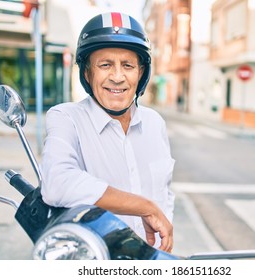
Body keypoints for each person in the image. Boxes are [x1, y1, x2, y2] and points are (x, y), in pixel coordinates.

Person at [40, 12, 175, 253]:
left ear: (141, 73)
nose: (117, 77)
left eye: (128, 65)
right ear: (87, 73)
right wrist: (145, 207)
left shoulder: (155, 123)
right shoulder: (66, 117)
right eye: (105, 65)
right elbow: (57, 183)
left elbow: (165, 191)